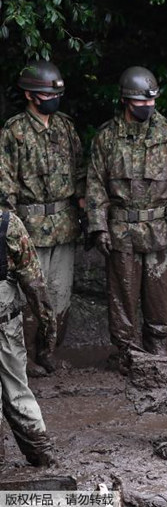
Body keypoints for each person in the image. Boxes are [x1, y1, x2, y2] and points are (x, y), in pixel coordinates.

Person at [86, 66, 167, 371]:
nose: (148, 108)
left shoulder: (166, 132)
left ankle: (158, 346)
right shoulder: (106, 138)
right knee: (122, 295)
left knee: (158, 293)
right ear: (126, 100)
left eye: (152, 102)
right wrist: (98, 228)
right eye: (142, 103)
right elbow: (95, 185)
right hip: (122, 230)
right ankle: (127, 352)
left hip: (160, 229)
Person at [0, 60, 85, 373]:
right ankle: (22, 359)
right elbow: (4, 181)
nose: (54, 99)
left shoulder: (64, 126)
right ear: (31, 96)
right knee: (29, 295)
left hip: (64, 224)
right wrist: (8, 228)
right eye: (49, 93)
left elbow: (79, 172)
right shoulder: (14, 131)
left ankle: (48, 352)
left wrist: (85, 206)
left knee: (60, 293)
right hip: (29, 228)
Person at [0, 210, 59, 466]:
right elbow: (34, 281)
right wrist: (48, 326)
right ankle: (42, 456)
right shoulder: (8, 222)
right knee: (18, 391)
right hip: (5, 323)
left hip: (5, 321)